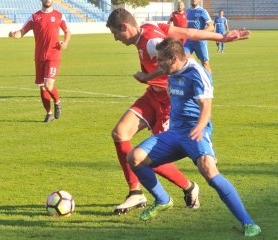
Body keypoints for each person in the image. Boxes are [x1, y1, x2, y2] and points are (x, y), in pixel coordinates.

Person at [106, 8, 250, 214]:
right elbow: (187, 33)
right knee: (120, 133)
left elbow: (178, 57)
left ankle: (188, 186)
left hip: (169, 101)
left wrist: (154, 76)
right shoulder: (149, 28)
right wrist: (222, 37)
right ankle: (136, 193)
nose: (115, 38)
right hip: (152, 96)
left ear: (124, 27)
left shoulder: (151, 42)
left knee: (150, 156)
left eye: (115, 33)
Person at [127, 37, 261, 237]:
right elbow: (162, 70)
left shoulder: (197, 74)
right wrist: (147, 78)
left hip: (195, 132)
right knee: (134, 158)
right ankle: (163, 200)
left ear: (173, 58)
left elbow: (206, 106)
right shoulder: (174, 65)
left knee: (209, 170)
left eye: (161, 60)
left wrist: (199, 127)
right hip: (174, 134)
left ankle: (248, 223)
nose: (158, 63)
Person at [9, 0, 71, 122]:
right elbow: (21, 32)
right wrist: (13, 34)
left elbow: (67, 31)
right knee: (42, 87)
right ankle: (49, 114)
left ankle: (57, 102)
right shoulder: (34, 17)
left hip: (53, 55)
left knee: (48, 85)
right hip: (39, 57)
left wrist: (65, 43)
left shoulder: (59, 15)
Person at [185, 0, 214, 73]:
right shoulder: (186, 11)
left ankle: (209, 83)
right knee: (183, 59)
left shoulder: (202, 11)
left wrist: (201, 33)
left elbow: (211, 27)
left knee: (205, 64)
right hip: (188, 41)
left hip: (200, 42)